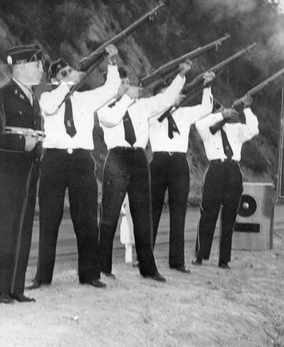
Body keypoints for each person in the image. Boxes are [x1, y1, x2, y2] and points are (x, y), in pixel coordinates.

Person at [27, 44, 120, 290]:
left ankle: (89, 274)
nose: (68, 75)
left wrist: (111, 63)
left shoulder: (85, 98)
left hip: (81, 160)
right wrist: (67, 84)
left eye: (70, 71)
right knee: (49, 219)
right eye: (62, 73)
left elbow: (111, 90)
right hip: (54, 160)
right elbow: (48, 107)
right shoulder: (46, 94)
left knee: (87, 220)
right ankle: (42, 277)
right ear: (53, 78)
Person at [96, 60, 192, 283]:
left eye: (128, 82)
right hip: (117, 158)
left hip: (138, 158)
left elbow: (165, 100)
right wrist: (126, 97)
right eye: (123, 83)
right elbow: (111, 120)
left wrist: (180, 76)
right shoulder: (104, 107)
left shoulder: (142, 105)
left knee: (143, 216)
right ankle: (102, 267)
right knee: (109, 216)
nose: (129, 86)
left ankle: (148, 269)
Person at [0, 44, 45, 303]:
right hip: (5, 172)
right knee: (3, 230)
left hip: (28, 173)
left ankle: (16, 288)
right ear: (21, 66)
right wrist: (21, 143)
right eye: (37, 64)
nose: (41, 69)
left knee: (22, 229)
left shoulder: (33, 99)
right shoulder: (2, 96)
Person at [148, 72, 215, 273]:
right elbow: (159, 114)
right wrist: (169, 103)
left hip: (178, 162)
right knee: (153, 211)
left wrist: (207, 86)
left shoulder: (184, 113)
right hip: (159, 161)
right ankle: (144, 257)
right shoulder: (151, 112)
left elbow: (206, 109)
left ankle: (177, 261)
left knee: (179, 213)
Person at [192, 95, 259, 269]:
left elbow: (253, 129)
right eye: (219, 109)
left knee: (230, 216)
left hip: (233, 171)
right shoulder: (207, 127)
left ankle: (224, 259)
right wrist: (222, 115)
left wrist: (247, 108)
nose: (222, 112)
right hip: (215, 169)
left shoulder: (236, 129)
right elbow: (200, 124)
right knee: (208, 214)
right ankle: (200, 255)